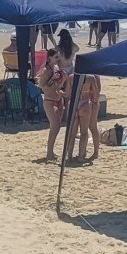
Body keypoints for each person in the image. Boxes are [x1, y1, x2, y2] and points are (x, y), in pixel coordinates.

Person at [40, 30, 76, 164]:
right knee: (54, 126)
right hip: (49, 100)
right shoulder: (45, 70)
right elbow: (43, 86)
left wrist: (62, 80)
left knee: (57, 127)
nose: (58, 60)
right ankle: (49, 152)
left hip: (58, 99)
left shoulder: (56, 69)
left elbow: (57, 85)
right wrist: (53, 80)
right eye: (56, 58)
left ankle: (51, 151)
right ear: (49, 58)